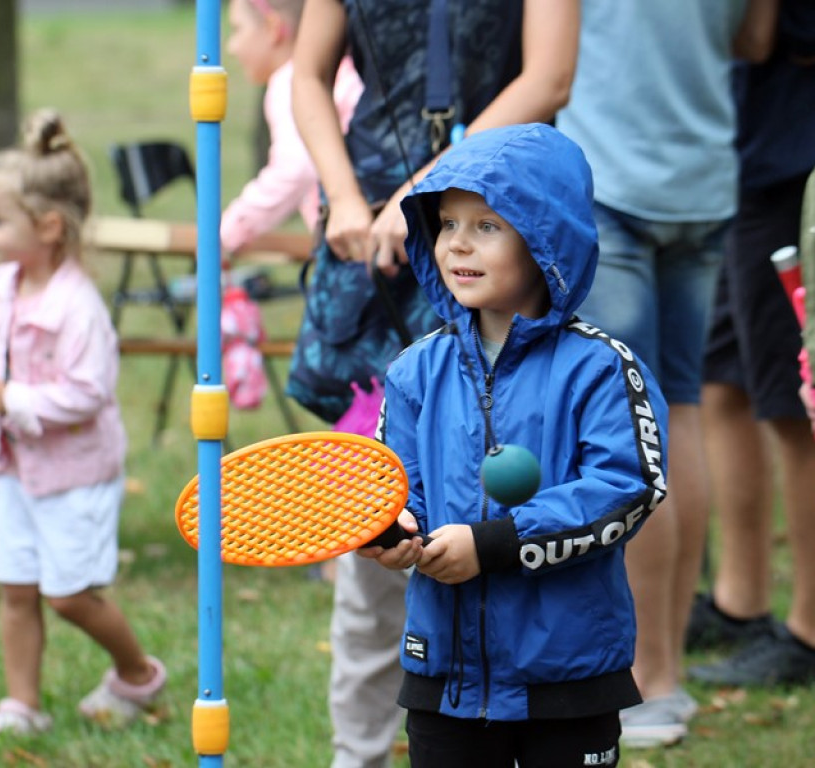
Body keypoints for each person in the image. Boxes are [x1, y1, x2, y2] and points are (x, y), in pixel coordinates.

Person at [290, 2, 579, 765]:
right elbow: (309, 74)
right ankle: (358, 751)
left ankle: (512, 725)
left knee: (505, 486)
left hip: (487, 216)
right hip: (370, 238)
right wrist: (346, 197)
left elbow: (548, 75)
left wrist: (429, 196)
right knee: (377, 513)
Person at [360, 122, 669, 768]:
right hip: (444, 679)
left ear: (545, 240)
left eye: (487, 226)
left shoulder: (601, 368)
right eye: (446, 224)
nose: (458, 245)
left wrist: (496, 544)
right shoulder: (416, 370)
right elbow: (394, 481)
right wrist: (394, 530)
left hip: (567, 678)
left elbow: (625, 488)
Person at [554, 0, 777, 747]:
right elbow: (754, 38)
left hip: (614, 182)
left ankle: (640, 684)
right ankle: (667, 674)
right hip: (704, 181)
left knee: (626, 426)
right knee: (679, 411)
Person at [0, 110, 165, 736]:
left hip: (75, 476)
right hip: (16, 470)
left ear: (49, 226)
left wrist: (7, 396)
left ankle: (138, 674)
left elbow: (87, 393)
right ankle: (22, 703)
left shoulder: (78, 307)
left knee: (70, 596)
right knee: (16, 587)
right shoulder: (0, 285)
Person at [687, 0, 815, 687]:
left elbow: (757, 31)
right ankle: (741, 602)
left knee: (795, 399)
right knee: (725, 381)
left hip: (794, 159)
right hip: (747, 155)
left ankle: (810, 631)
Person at [220, 0, 362, 413]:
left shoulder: (291, 83)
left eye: (238, 30)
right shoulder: (341, 71)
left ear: (273, 28)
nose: (231, 46)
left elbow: (294, 170)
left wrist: (228, 230)